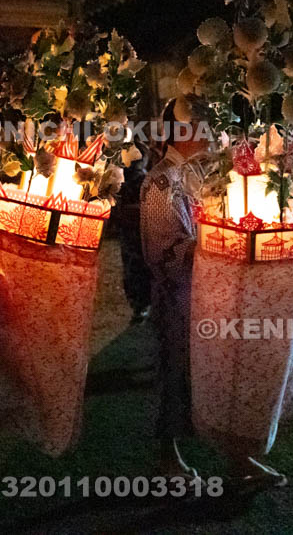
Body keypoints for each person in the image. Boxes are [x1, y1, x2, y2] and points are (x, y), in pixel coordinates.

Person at [140, 99, 203, 482]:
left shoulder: (192, 176)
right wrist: (216, 244)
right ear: (188, 131)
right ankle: (168, 458)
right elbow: (165, 251)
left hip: (200, 293)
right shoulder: (162, 182)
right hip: (177, 296)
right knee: (174, 373)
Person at [116, 141, 152, 324]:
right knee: (138, 269)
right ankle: (141, 306)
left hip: (133, 234)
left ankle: (140, 306)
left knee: (134, 270)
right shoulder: (140, 181)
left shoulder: (123, 181)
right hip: (136, 233)